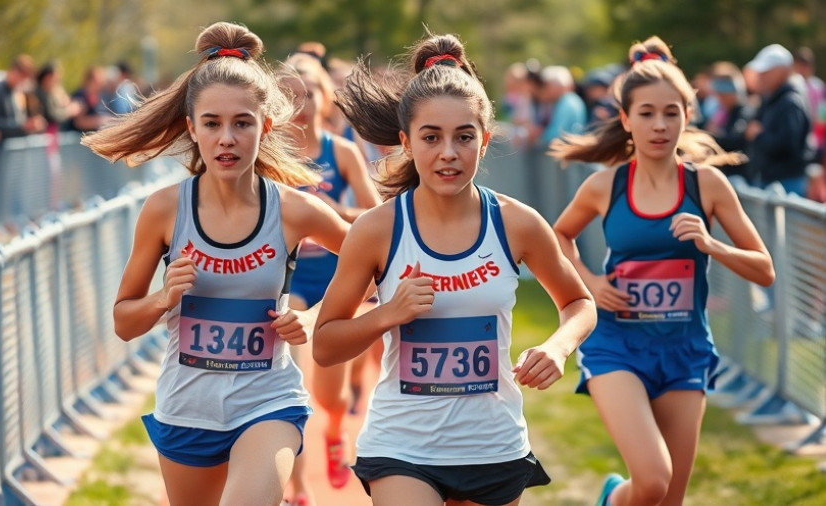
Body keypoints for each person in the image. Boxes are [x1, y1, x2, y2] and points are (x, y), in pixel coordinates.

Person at [313, 32, 597, 506]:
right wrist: (387, 313)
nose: (448, 152)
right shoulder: (377, 229)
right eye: (431, 137)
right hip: (401, 446)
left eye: (464, 137)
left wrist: (558, 347)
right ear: (406, 142)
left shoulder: (518, 223)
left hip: (492, 446)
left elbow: (579, 302)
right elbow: (324, 346)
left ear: (483, 142)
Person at [81, 21, 351, 506]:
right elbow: (123, 322)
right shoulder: (165, 210)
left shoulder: (295, 210)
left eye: (242, 123)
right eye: (212, 124)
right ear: (192, 128)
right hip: (188, 411)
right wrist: (163, 298)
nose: (227, 138)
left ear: (265, 126)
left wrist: (314, 316)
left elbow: (374, 263)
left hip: (268, 403)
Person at [549, 37, 775, 506]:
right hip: (617, 345)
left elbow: (765, 270)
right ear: (626, 119)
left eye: (671, 113)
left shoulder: (707, 184)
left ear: (687, 115)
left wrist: (711, 245)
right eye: (647, 113)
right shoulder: (605, 186)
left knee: (667, 498)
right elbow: (558, 237)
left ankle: (615, 498)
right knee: (652, 480)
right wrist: (591, 282)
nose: (659, 125)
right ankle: (616, 497)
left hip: (684, 349)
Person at [278, 52, 381, 505]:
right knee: (293, 386)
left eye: (309, 95)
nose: (300, 106)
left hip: (337, 281)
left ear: (325, 98)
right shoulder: (272, 155)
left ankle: (336, 432)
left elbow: (377, 216)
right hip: (289, 281)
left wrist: (333, 212)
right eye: (290, 97)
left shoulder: (341, 152)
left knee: (330, 396)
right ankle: (298, 487)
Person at [744, 43, 812, 196]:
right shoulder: (771, 100)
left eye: (766, 72)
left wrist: (758, 135)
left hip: (787, 183)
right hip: (772, 181)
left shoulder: (790, 102)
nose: (761, 76)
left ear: (782, 72)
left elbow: (788, 145)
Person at [0, 54, 47, 139]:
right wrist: (23, 126)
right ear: (15, 72)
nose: (23, 82)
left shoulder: (15, 92)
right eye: (23, 77)